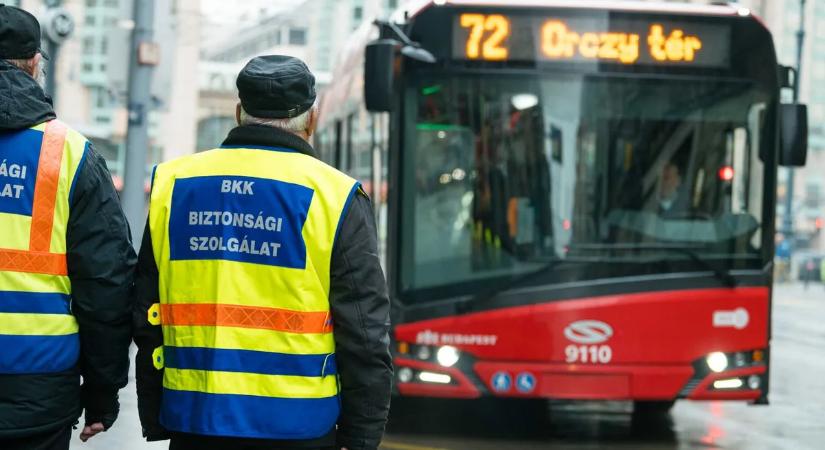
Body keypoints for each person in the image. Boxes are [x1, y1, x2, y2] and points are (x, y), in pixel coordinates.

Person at [134, 55, 392, 450]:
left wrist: (156, 411)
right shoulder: (335, 197)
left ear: (239, 112)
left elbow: (146, 310)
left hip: (196, 421)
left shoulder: (173, 183)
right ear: (312, 119)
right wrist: (360, 438)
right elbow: (364, 334)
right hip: (299, 428)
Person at [0, 5, 136, 450]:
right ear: (37, 63)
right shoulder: (70, 155)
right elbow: (105, 284)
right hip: (36, 390)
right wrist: (102, 392)